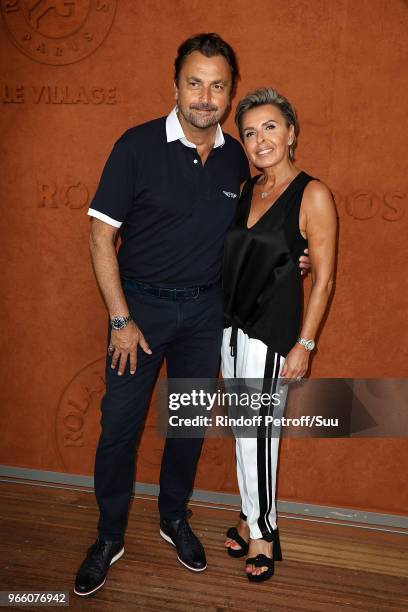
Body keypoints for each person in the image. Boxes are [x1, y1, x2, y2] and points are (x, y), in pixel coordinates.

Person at [74, 35, 310, 597]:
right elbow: (100, 236)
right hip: (140, 312)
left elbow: (255, 227)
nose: (205, 96)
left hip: (208, 313)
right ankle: (109, 535)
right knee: (119, 429)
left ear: (230, 94)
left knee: (186, 424)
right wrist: (119, 320)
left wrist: (289, 254)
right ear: (175, 85)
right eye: (194, 82)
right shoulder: (135, 147)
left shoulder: (238, 156)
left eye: (218, 85)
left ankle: (173, 518)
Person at [221, 87, 337, 582]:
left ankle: (265, 532)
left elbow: (325, 277)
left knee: (259, 437)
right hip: (230, 329)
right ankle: (249, 517)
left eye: (270, 127)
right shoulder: (247, 190)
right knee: (242, 433)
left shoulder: (313, 193)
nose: (259, 139)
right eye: (249, 132)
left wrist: (305, 344)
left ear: (291, 133)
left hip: (272, 336)